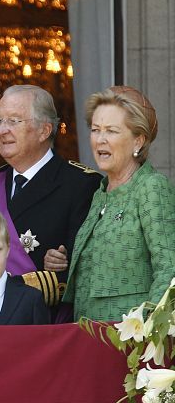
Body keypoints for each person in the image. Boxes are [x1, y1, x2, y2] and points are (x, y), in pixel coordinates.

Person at [0, 85, 102, 319]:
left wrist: (60, 265)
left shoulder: (80, 184)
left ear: (44, 130)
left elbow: (86, 270)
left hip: (47, 325)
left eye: (13, 121)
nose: (2, 130)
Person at [63, 86, 175, 322]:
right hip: (88, 334)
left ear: (138, 141)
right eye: (95, 130)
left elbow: (169, 268)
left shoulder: (151, 187)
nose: (100, 139)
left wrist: (147, 329)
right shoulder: (101, 192)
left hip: (128, 343)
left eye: (111, 131)